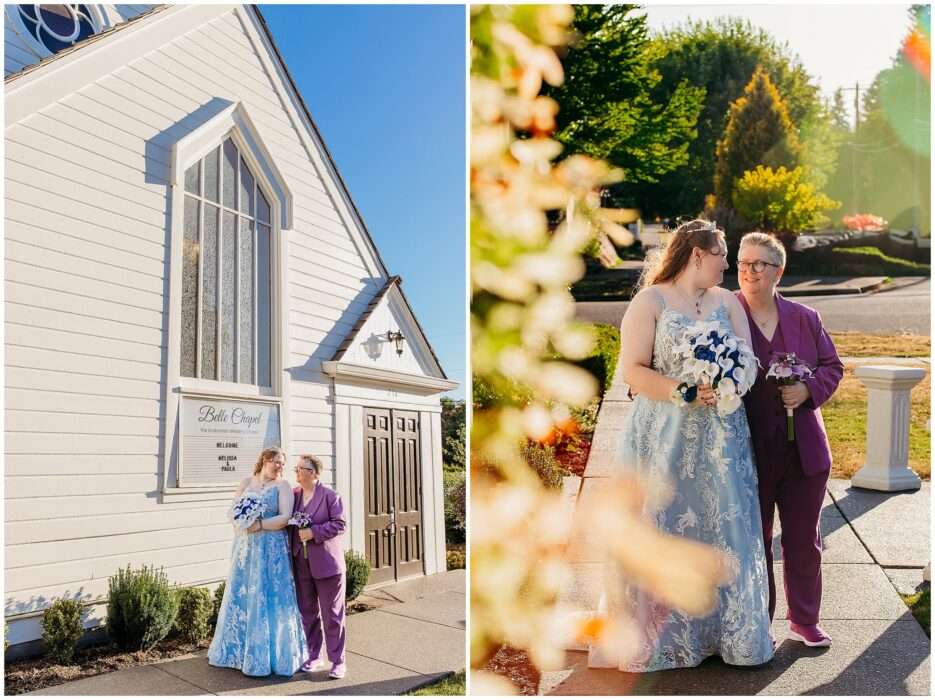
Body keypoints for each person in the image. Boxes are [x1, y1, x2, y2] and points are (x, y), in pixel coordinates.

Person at [589, 219, 773, 671]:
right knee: (663, 523)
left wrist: (731, 382)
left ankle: (726, 634)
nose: (727, 265)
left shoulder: (727, 302)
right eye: (722, 255)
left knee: (722, 525)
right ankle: (657, 636)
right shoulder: (650, 301)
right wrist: (683, 390)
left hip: (722, 438)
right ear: (697, 254)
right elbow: (633, 370)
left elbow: (748, 360)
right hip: (663, 434)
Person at [736, 232, 843, 648]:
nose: (749, 271)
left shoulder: (805, 318)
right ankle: (758, 622)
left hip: (804, 453)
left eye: (759, 264)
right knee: (754, 542)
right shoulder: (725, 315)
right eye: (743, 263)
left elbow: (833, 366)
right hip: (749, 451)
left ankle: (804, 620)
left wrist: (808, 389)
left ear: (778, 272)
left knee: (803, 542)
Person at [208, 447, 307, 676]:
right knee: (243, 593)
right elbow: (233, 512)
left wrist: (259, 525)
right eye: (276, 462)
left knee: (270, 594)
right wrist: (242, 524)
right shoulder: (246, 483)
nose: (280, 466)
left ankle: (270, 655)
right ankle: (237, 652)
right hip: (245, 548)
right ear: (265, 460)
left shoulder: (282, 486)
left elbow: (285, 517)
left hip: (271, 549)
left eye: (282, 463)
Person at [290, 454, 348, 679]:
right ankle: (314, 656)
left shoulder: (330, 496)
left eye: (300, 468)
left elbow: (340, 524)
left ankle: (338, 661)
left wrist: (314, 532)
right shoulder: (294, 496)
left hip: (327, 565)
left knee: (332, 615)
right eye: (296, 468)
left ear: (313, 472)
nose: (296, 472)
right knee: (308, 613)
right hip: (301, 564)